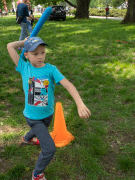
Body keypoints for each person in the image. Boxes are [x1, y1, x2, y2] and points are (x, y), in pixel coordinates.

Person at [7, 37, 91, 180]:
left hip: (48, 114)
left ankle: (27, 139)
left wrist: (80, 103)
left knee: (42, 128)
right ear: (26, 54)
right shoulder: (23, 66)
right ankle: (37, 174)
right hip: (32, 117)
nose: (40, 56)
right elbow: (10, 46)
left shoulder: (51, 69)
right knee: (49, 149)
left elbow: (68, 85)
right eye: (35, 53)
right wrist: (24, 42)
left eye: (42, 52)